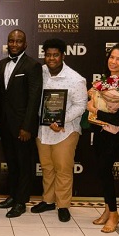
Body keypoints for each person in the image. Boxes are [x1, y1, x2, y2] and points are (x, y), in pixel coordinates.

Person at [32, 38, 87, 222]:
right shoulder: (39, 72)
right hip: (43, 130)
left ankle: (63, 205)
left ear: (63, 56)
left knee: (63, 169)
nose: (51, 58)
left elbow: (80, 106)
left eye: (55, 55)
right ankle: (48, 200)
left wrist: (62, 120)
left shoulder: (76, 79)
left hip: (66, 131)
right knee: (47, 167)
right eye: (48, 55)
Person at [86, 43, 119, 232]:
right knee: (102, 172)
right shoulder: (103, 82)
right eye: (112, 57)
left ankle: (114, 214)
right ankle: (108, 210)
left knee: (105, 171)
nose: (113, 62)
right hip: (99, 132)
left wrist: (95, 110)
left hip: (115, 135)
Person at [0, 29, 43, 218]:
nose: (14, 44)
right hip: (6, 125)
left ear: (25, 44)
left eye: (18, 41)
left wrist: (27, 127)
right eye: (11, 41)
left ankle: (21, 202)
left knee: (24, 165)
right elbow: (2, 95)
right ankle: (13, 196)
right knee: (12, 163)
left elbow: (34, 98)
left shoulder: (33, 65)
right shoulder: (2, 63)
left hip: (23, 126)